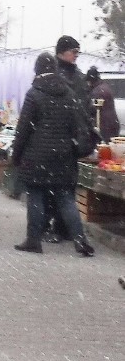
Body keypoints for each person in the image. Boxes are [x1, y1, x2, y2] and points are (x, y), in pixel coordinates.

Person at [12, 52, 94, 257]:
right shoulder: (68, 93)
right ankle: (80, 240)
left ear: (37, 69)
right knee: (66, 198)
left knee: (36, 197)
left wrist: (16, 154)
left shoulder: (34, 93)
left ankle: (33, 240)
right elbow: (77, 125)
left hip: (37, 156)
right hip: (63, 156)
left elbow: (23, 130)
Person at [86, 66, 120, 142]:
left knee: (104, 148)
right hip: (112, 123)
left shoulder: (97, 92)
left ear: (91, 80)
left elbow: (92, 109)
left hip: (103, 125)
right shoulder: (104, 87)